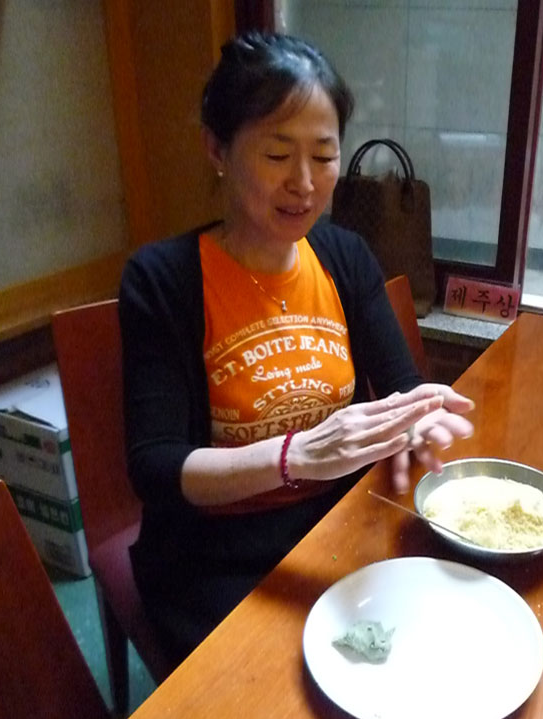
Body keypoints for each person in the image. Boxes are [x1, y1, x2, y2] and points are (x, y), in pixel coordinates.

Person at [118, 31, 475, 661]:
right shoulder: (163, 280)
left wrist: (416, 421)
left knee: (438, 643)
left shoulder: (344, 256)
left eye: (324, 155)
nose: (305, 183)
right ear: (217, 149)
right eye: (278, 154)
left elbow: (401, 389)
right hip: (215, 560)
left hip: (338, 526)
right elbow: (157, 469)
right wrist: (297, 456)